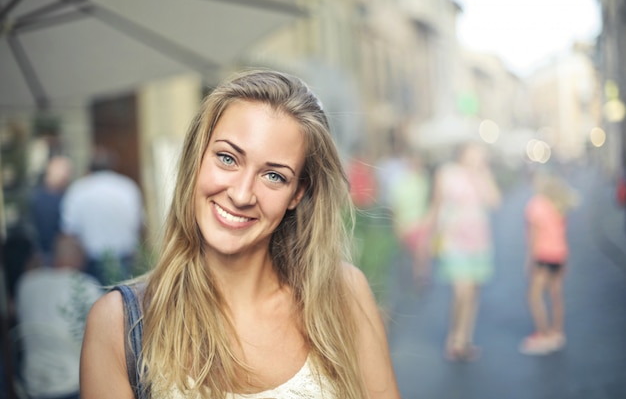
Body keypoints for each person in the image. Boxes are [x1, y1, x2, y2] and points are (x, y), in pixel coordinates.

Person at [80, 69, 401, 399]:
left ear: (297, 194)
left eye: (274, 176)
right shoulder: (119, 324)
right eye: (227, 158)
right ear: (197, 157)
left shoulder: (343, 296)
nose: (242, 194)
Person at [428, 142, 501, 361]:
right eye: (474, 154)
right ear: (462, 154)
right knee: (463, 290)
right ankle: (454, 338)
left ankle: (464, 338)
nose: (477, 159)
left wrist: (483, 176)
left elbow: (495, 202)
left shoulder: (482, 175)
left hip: (479, 241)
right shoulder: (446, 173)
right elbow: (436, 205)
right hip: (454, 240)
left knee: (473, 291)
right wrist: (429, 236)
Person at [14, 234, 103, 399]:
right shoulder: (85, 285)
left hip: (33, 383)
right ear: (79, 257)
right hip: (75, 382)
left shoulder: (26, 283)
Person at [60, 146, 144, 285]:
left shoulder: (78, 190)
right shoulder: (127, 187)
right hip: (125, 259)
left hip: (91, 262)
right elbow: (140, 226)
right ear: (113, 165)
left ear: (89, 167)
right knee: (126, 303)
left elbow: (69, 232)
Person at [519, 172, 578, 355]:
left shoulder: (536, 205)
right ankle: (557, 332)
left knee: (534, 297)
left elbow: (534, 237)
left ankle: (543, 334)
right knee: (556, 294)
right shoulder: (559, 205)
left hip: (543, 255)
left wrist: (530, 260)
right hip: (559, 255)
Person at [388, 150, 432, 284]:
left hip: (420, 223)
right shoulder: (400, 182)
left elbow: (429, 201)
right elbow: (394, 206)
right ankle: (412, 277)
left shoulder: (423, 179)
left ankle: (420, 277)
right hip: (405, 224)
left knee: (421, 253)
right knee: (409, 255)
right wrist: (396, 226)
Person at [29, 155, 73, 266]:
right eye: (65, 171)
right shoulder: (40, 198)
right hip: (48, 253)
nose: (67, 175)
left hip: (63, 254)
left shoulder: (66, 195)